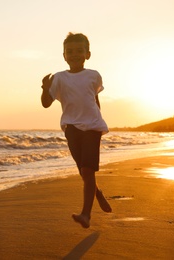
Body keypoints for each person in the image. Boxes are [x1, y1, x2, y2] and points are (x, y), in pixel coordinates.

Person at [40, 32, 112, 228]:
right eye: (69, 51)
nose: (74, 55)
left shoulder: (94, 75)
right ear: (64, 55)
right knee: (84, 171)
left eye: (79, 51)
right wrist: (45, 88)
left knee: (88, 170)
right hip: (71, 128)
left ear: (87, 54)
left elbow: (94, 99)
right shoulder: (59, 78)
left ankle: (85, 215)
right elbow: (47, 103)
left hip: (92, 127)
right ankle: (98, 194)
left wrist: (97, 119)